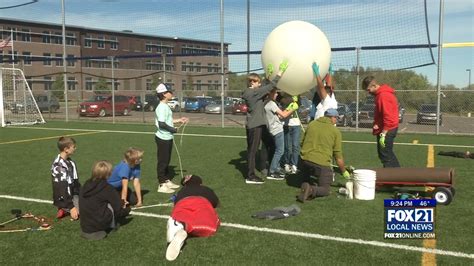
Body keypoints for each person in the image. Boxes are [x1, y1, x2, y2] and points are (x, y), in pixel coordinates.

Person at [242, 60, 288, 184]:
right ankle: (250, 176)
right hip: (255, 125)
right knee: (252, 151)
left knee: (263, 146)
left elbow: (266, 88)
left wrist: (268, 75)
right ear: (251, 83)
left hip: (257, 125)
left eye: (256, 81)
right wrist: (280, 72)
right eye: (253, 81)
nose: (255, 83)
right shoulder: (253, 92)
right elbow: (271, 86)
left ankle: (265, 170)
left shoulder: (254, 92)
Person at [297, 108, 351, 202]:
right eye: (336, 118)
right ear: (332, 118)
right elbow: (338, 156)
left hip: (303, 161)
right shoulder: (335, 132)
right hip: (320, 164)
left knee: (309, 174)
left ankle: (305, 183)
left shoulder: (312, 124)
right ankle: (310, 190)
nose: (336, 121)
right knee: (325, 190)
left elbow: (301, 143)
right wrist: (344, 171)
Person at [165, 174, 220, 261]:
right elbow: (216, 203)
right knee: (209, 225)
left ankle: (179, 228)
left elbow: (176, 203)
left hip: (183, 204)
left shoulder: (182, 191)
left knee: (180, 218)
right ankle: (183, 227)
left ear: (186, 184)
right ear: (200, 183)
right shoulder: (206, 189)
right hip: (203, 205)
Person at [79, 160, 131, 240]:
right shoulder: (107, 188)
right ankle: (111, 226)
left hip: (85, 225)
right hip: (98, 223)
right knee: (111, 206)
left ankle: (91, 229)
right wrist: (127, 209)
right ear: (108, 174)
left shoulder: (86, 184)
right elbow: (119, 210)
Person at [154, 83, 189, 193]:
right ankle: (161, 184)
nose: (171, 93)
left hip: (167, 137)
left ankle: (166, 179)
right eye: (169, 91)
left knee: (167, 160)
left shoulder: (165, 106)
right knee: (162, 161)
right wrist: (173, 130)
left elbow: (167, 121)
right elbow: (162, 124)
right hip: (162, 138)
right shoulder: (161, 107)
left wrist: (179, 120)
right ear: (164, 94)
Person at [362, 76, 401, 168]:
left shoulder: (383, 96)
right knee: (386, 154)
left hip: (388, 129)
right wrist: (377, 124)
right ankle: (397, 176)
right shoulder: (381, 95)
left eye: (368, 89)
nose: (368, 92)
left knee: (386, 155)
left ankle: (394, 178)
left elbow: (388, 116)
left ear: (374, 85)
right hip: (387, 128)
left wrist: (383, 133)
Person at [264, 88, 298, 180]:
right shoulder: (271, 104)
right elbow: (283, 115)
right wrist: (293, 108)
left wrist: (289, 107)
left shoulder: (267, 103)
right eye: (275, 93)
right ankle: (272, 171)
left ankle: (276, 169)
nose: (276, 95)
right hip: (277, 130)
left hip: (273, 129)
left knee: (278, 150)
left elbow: (279, 115)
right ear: (270, 93)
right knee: (280, 151)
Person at [51, 136, 81, 219]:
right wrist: (71, 207)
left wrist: (82, 194)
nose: (75, 148)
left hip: (72, 194)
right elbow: (62, 188)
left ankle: (67, 207)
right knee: (84, 212)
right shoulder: (59, 166)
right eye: (73, 147)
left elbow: (75, 182)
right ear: (66, 149)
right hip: (64, 197)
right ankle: (64, 207)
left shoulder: (71, 162)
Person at [283, 95, 302, 174]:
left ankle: (294, 164)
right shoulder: (285, 97)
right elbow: (283, 105)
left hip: (296, 125)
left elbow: (299, 104)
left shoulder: (298, 95)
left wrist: (297, 100)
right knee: (287, 146)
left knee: (295, 145)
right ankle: (286, 163)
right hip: (287, 124)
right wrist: (289, 100)